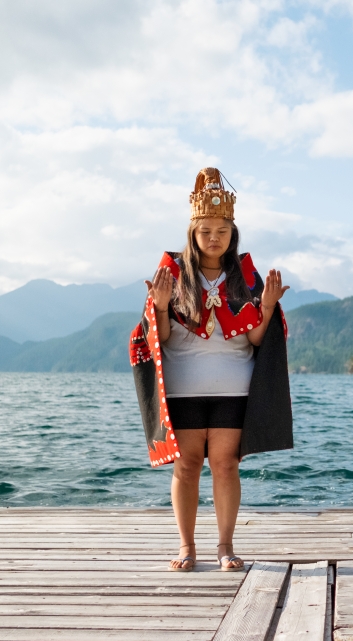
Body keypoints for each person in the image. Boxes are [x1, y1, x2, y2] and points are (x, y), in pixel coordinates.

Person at [129, 167, 294, 572]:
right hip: (183, 388)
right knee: (186, 466)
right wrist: (162, 306)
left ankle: (225, 545)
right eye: (206, 229)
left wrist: (268, 306)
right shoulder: (173, 275)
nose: (214, 237)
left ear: (232, 233)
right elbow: (162, 337)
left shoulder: (247, 278)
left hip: (233, 389)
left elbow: (257, 340)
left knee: (225, 465)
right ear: (193, 232)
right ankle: (187, 546)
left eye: (221, 229)